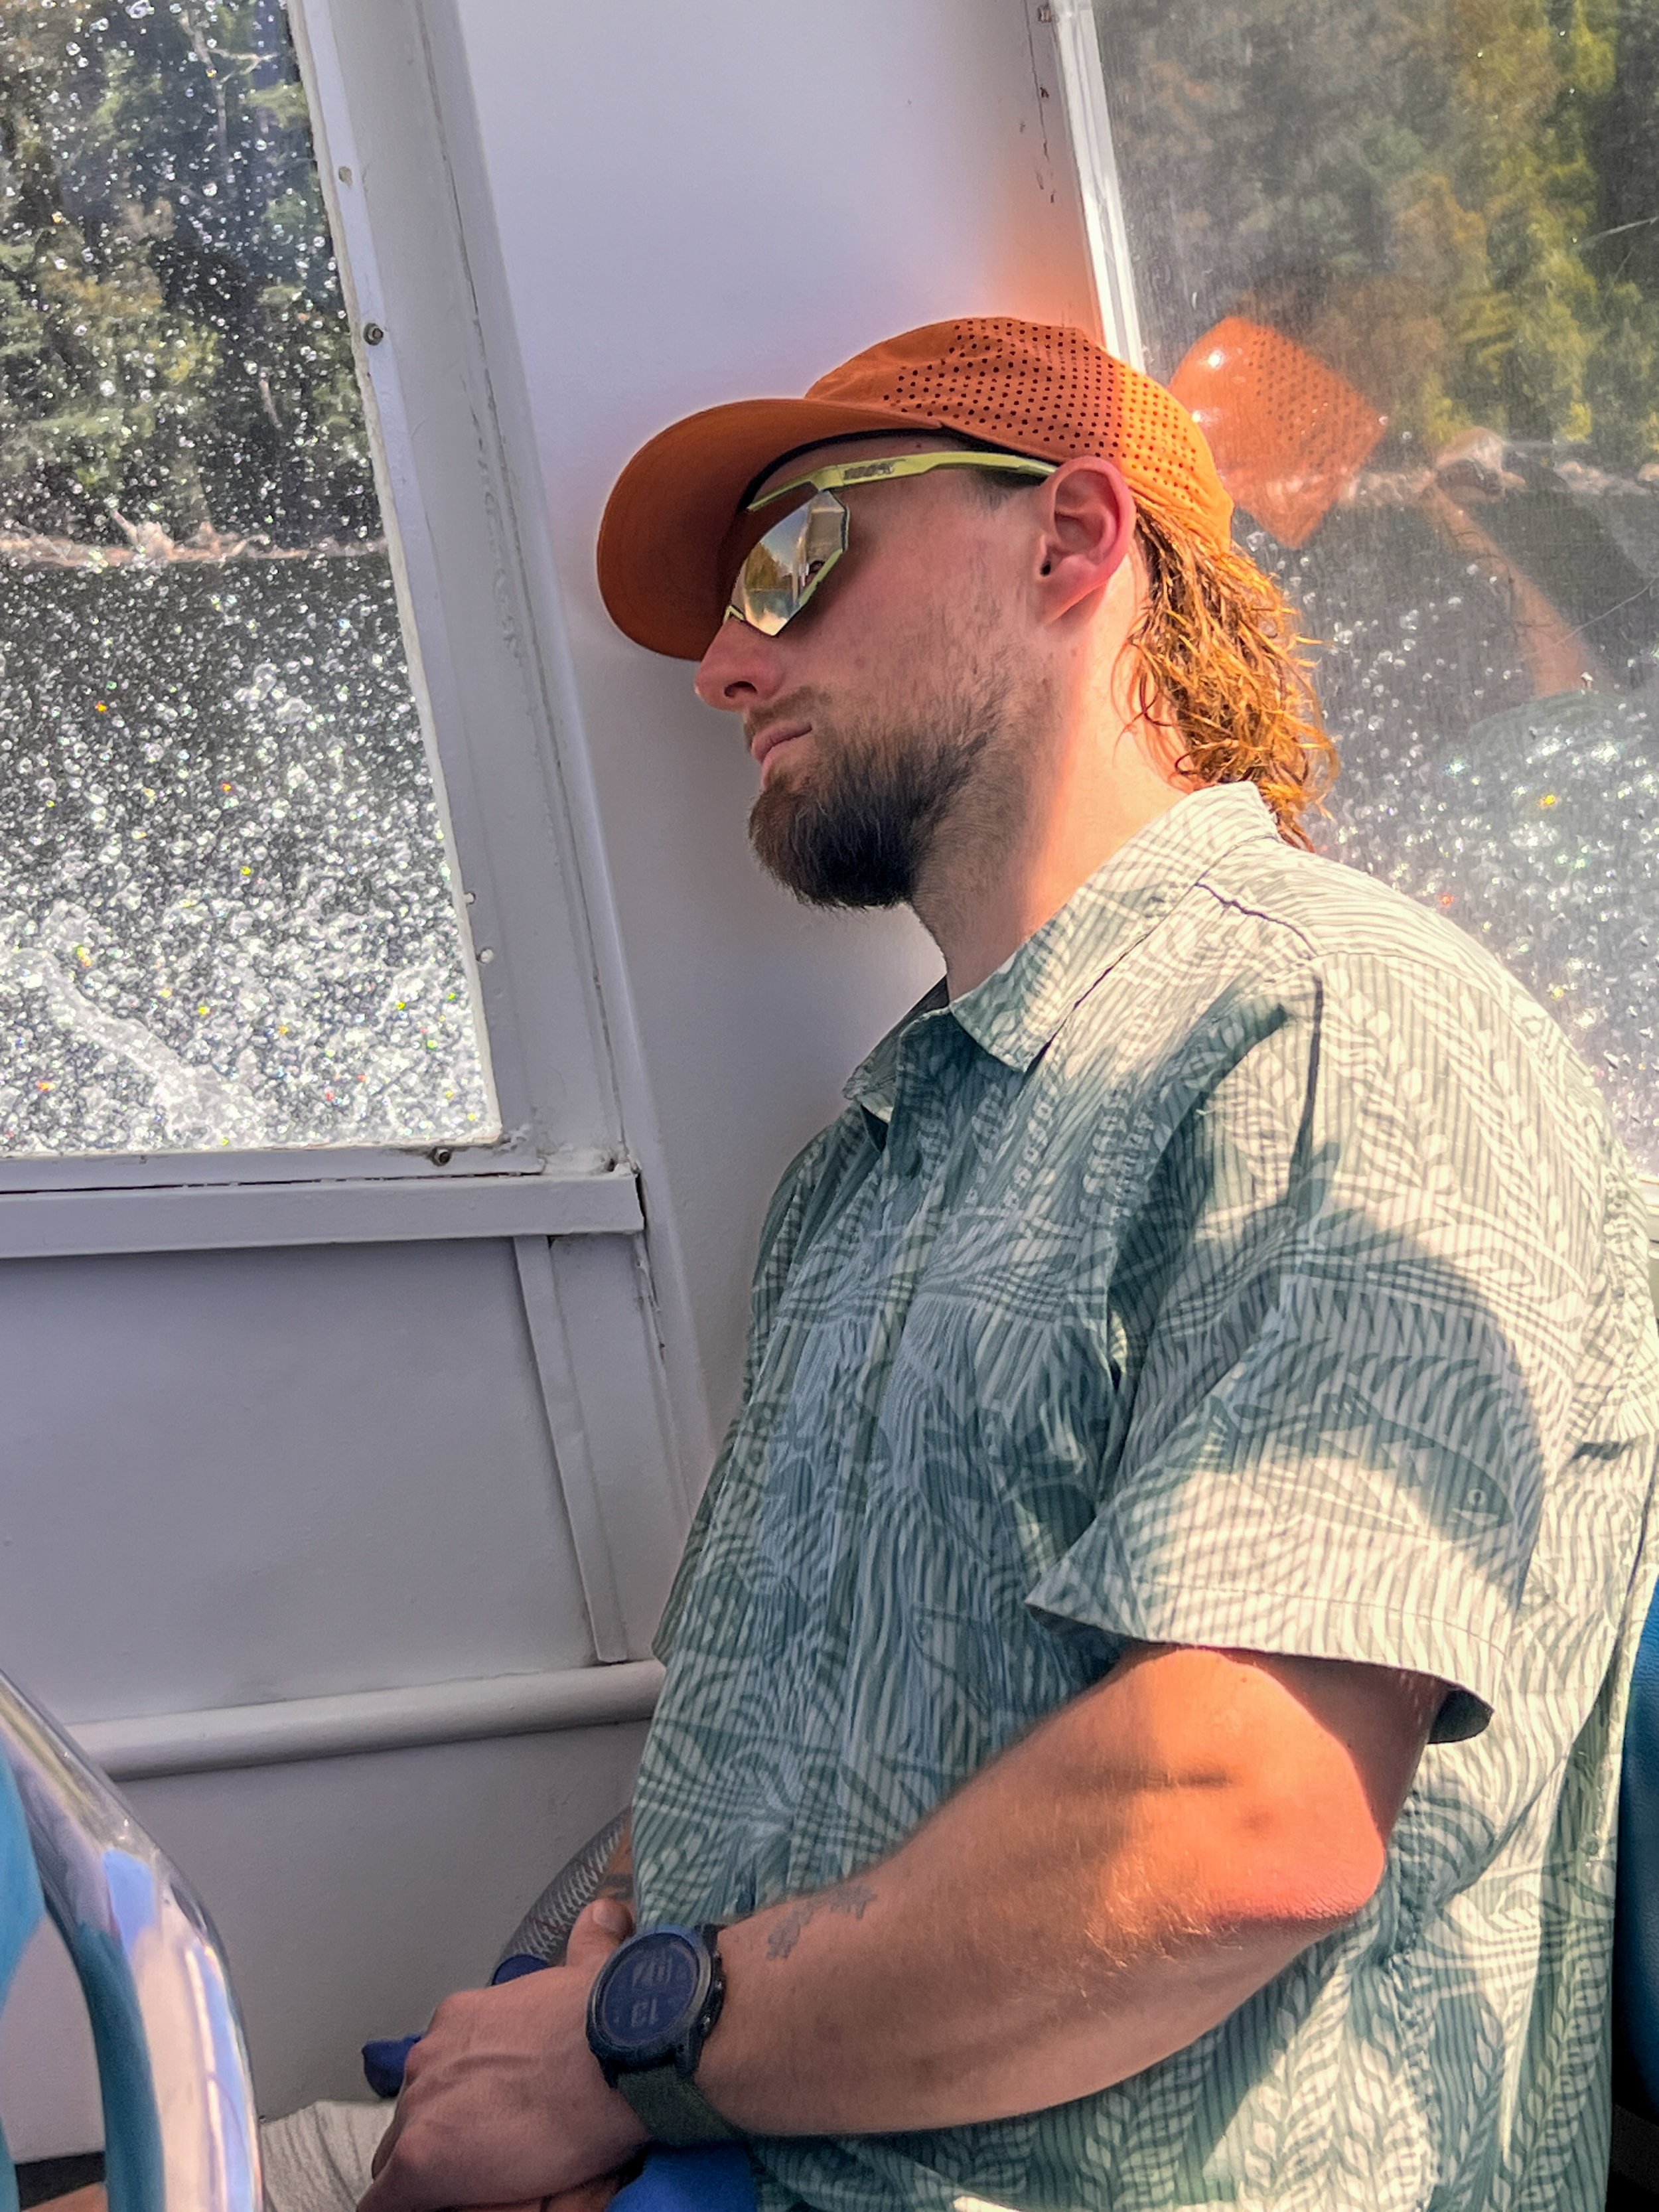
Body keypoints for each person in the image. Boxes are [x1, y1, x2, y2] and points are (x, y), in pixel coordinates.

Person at [48, 315, 1659, 2212]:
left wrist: (628, 2058)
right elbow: (776, 1717)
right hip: (733, 2118)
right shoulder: (887, 1141)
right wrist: (602, 1991)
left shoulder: (1333, 1034)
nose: (727, 664)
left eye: (796, 560)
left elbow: (1244, 1817)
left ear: (1070, 543)